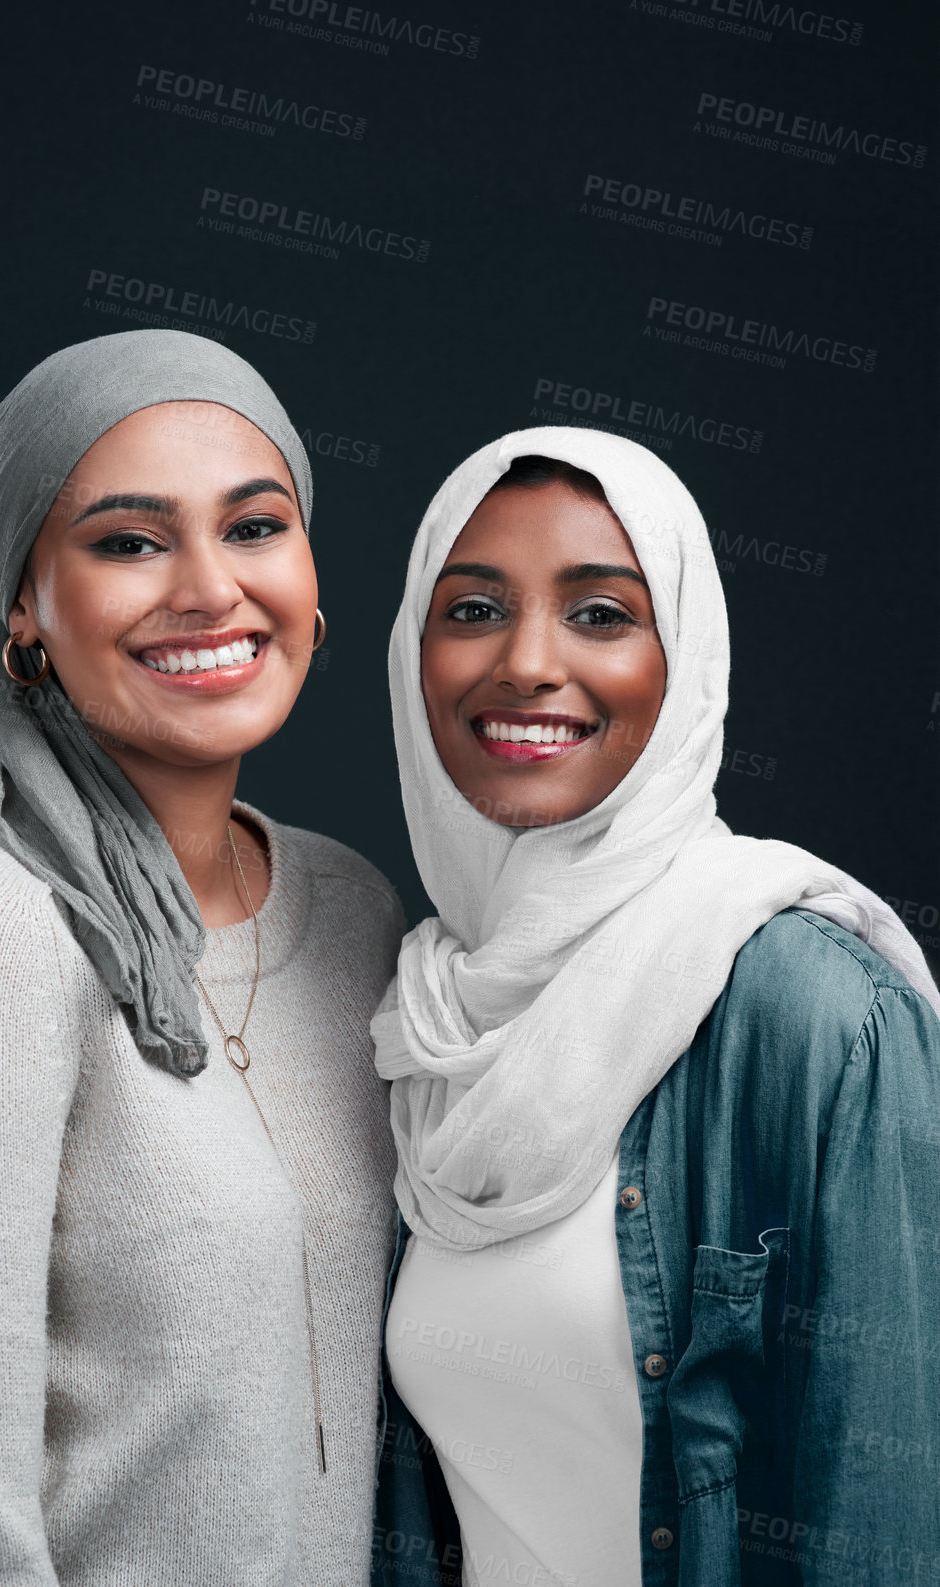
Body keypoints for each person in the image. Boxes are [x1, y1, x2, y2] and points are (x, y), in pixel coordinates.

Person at [0, 330, 404, 1587]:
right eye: (127, 541)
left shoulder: (353, 914)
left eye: (254, 527)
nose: (208, 589)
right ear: (25, 606)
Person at [369, 427, 940, 1587]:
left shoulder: (818, 1019)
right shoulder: (424, 1022)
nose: (527, 661)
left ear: (686, 660)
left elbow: (878, 1527)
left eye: (600, 614)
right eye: (474, 610)